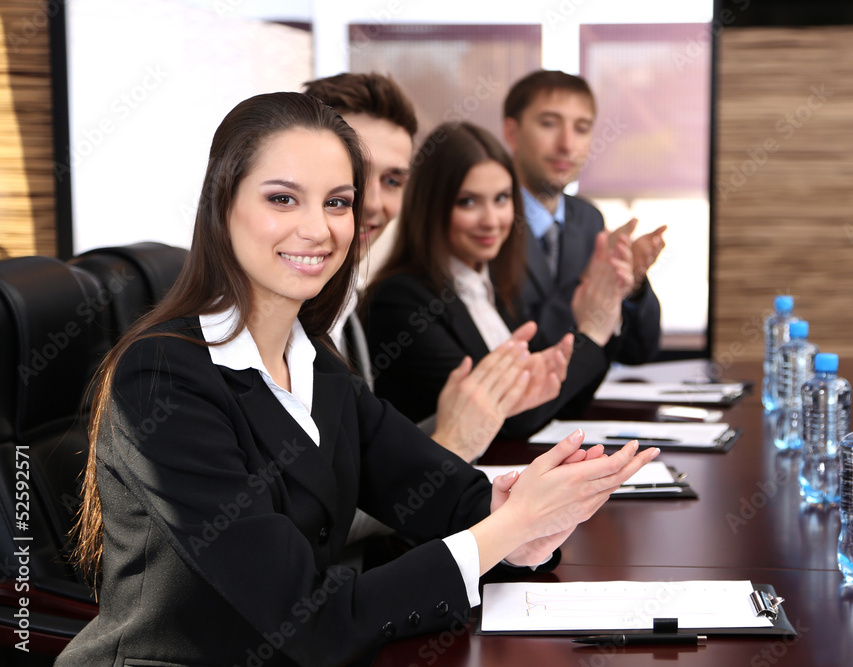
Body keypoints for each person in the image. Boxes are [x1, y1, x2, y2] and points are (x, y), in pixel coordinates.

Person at [57, 93, 657, 667]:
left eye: (337, 202)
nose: (319, 230)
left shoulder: (315, 363)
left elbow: (447, 494)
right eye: (283, 199)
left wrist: (522, 511)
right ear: (222, 205)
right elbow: (309, 619)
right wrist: (510, 528)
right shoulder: (162, 378)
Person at [303, 72, 572, 462]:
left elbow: (361, 472)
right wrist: (453, 443)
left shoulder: (347, 316)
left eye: (393, 180)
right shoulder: (391, 299)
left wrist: (464, 424)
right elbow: (316, 510)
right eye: (355, 174)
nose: (375, 203)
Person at [365, 122, 633, 438]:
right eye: (468, 202)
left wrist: (605, 311)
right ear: (432, 207)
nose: (491, 221)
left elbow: (559, 403)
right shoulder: (401, 301)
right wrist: (592, 333)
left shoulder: (497, 286)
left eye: (502, 199)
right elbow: (506, 419)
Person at [502, 69, 666, 365]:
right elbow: (518, 346)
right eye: (549, 124)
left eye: (581, 128)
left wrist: (631, 286)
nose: (566, 144)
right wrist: (592, 282)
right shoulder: (490, 223)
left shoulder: (588, 219)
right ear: (512, 133)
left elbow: (638, 353)